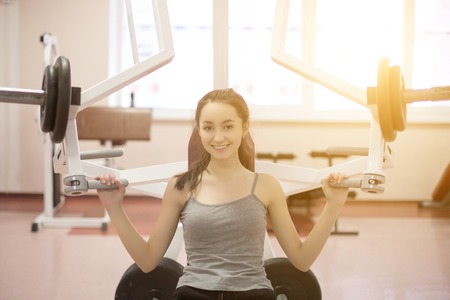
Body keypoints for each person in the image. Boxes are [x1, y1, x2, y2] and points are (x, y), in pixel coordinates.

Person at [96, 88, 349, 300]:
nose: (218, 137)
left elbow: (301, 260)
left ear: (244, 127)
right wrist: (114, 207)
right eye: (208, 128)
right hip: (194, 293)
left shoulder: (266, 185)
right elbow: (148, 260)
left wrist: (333, 206)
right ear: (199, 129)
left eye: (228, 126)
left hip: (254, 294)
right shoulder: (180, 187)